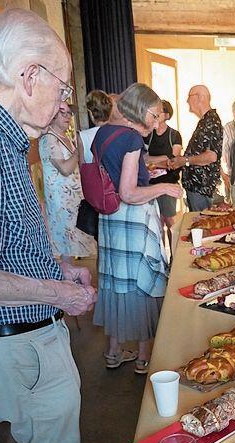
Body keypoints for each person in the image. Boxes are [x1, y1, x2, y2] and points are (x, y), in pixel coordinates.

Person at [0, 8, 107, 443]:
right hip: (19, 335)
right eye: (61, 84)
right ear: (29, 75)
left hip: (36, 320)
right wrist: (57, 296)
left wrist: (55, 274)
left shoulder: (10, 135)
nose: (64, 97)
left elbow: (9, 237)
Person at [92, 83, 182, 375]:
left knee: (117, 284)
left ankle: (114, 352)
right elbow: (129, 192)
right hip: (133, 221)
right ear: (141, 111)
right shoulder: (131, 138)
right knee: (144, 284)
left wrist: (146, 171)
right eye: (155, 115)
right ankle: (144, 358)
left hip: (110, 220)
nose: (157, 122)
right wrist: (165, 186)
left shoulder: (103, 131)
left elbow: (117, 172)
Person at [39, 102, 96, 259]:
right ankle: (68, 282)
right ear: (52, 115)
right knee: (66, 247)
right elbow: (65, 168)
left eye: (69, 113)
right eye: (62, 113)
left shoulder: (66, 137)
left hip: (73, 199)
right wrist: (80, 149)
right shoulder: (49, 139)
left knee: (72, 246)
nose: (68, 117)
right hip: (61, 203)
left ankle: (73, 281)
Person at [169, 84, 223, 212]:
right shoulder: (206, 121)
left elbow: (211, 156)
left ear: (200, 98)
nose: (187, 101)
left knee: (201, 227)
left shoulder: (211, 121)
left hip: (201, 188)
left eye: (189, 97)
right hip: (197, 188)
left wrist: (184, 161)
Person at [144, 99, 182, 242]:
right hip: (151, 183)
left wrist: (155, 161)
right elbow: (144, 158)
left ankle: (174, 255)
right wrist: (162, 159)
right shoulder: (149, 134)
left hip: (169, 182)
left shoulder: (174, 135)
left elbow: (173, 160)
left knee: (169, 220)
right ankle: (161, 258)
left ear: (166, 115)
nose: (156, 115)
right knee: (156, 222)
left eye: (159, 112)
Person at [79, 88, 112, 163]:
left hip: (92, 174)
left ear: (90, 113)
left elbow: (82, 167)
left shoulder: (82, 136)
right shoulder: (121, 132)